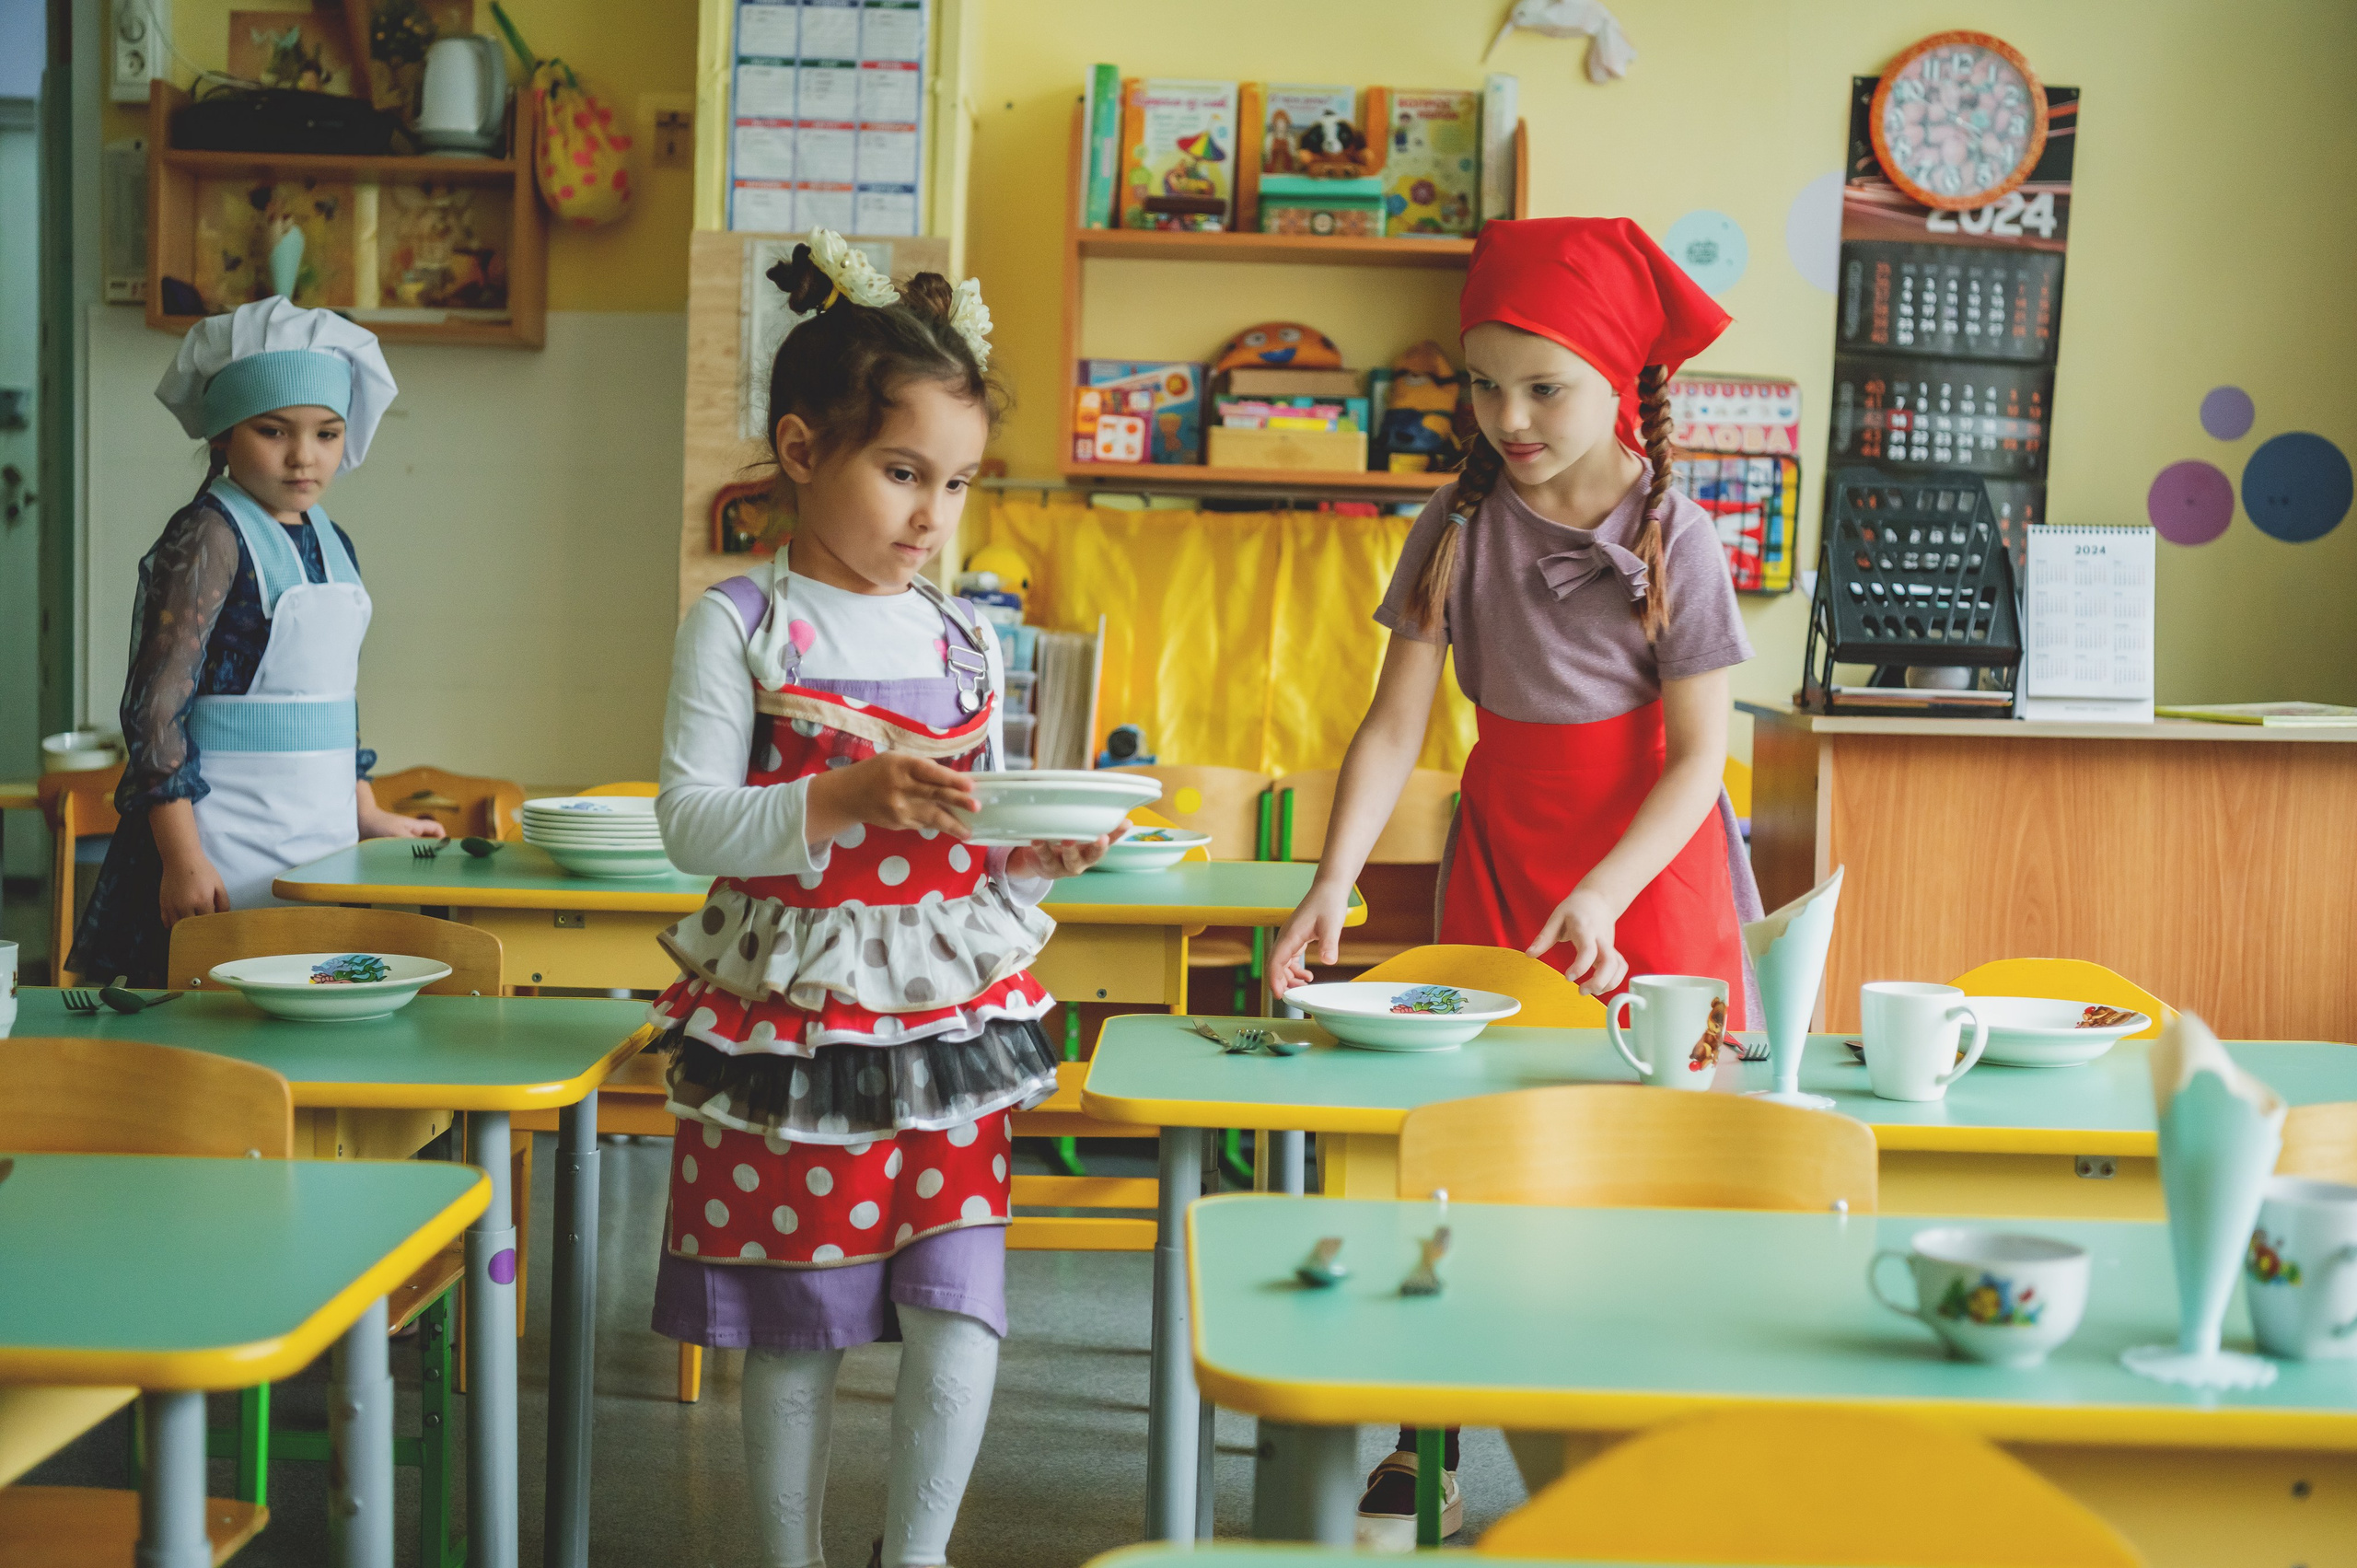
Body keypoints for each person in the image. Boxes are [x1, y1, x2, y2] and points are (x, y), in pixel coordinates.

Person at [1266, 216, 1766, 1548]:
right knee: (1472, 1166)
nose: (1509, 414)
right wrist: (1334, 882)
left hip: (1646, 883)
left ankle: (1636, 1451)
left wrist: (1605, 893)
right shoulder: (1457, 520)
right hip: (1500, 860)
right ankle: (1425, 1448)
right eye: (1484, 383)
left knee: (1643, 1180)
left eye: (1543, 385)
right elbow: (1392, 726)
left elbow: (1703, 759)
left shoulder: (1681, 538)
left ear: (1620, 380)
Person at [645, 231, 1108, 1568]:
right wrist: (840, 800)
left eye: (956, 483)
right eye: (903, 472)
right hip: (791, 1027)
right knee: (802, 1322)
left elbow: (984, 829)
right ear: (802, 453)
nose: (932, 516)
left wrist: (1033, 856)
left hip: (950, 1023)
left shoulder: (964, 634)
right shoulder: (739, 621)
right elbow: (690, 824)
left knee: (962, 1307)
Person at [70, 297, 439, 988]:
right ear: (222, 434)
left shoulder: (331, 539)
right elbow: (154, 712)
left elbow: (331, 694)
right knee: (215, 1039)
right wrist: (182, 858)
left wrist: (364, 808)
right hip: (214, 844)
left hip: (317, 840)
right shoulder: (208, 535)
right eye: (274, 430)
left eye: (327, 433)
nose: (305, 456)